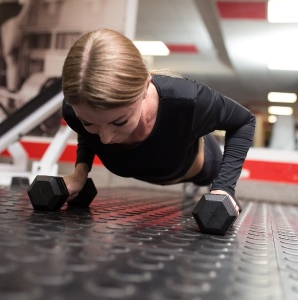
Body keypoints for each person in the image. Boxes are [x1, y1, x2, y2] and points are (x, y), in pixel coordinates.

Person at [61, 28, 255, 214]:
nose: (105, 139)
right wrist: (80, 173)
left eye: (119, 122)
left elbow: (244, 121)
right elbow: (87, 134)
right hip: (152, 165)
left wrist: (224, 188)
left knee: (212, 174)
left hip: (197, 164)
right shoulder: (73, 112)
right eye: (89, 123)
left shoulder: (188, 101)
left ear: (146, 86)